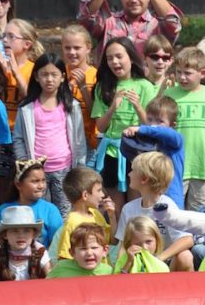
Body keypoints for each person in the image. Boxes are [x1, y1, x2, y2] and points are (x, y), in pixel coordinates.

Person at [13, 54, 86, 216]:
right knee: (39, 212)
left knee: (65, 213)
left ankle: (62, 241)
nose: (49, 79)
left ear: (62, 78)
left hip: (64, 169)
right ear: (36, 77)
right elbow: (18, 138)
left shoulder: (71, 106)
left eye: (54, 74)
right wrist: (27, 164)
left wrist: (79, 169)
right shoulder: (27, 107)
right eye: (44, 74)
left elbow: (79, 140)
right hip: (38, 172)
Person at [90, 37, 155, 207]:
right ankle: (116, 233)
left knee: (136, 204)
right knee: (115, 206)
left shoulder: (145, 86)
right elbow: (100, 127)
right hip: (111, 153)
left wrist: (137, 106)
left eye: (119, 56)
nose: (114, 62)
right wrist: (112, 107)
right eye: (110, 58)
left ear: (131, 58)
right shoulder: (103, 87)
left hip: (136, 153)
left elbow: (150, 126)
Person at [115, 152, 194, 271]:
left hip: (163, 262)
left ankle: (183, 288)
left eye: (133, 170)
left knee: (185, 256)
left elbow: (187, 239)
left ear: (144, 179)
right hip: (138, 261)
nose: (129, 174)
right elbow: (122, 247)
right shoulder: (128, 209)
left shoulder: (167, 207)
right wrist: (120, 269)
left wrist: (159, 259)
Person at [169, 46, 205, 209]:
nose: (182, 77)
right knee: (174, 213)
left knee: (199, 216)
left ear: (202, 72)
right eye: (179, 72)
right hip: (175, 168)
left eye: (188, 73)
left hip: (203, 169)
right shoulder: (169, 94)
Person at [120, 93, 185, 208]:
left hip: (171, 197)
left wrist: (142, 128)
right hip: (150, 198)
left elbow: (165, 133)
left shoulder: (175, 139)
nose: (153, 124)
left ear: (172, 125)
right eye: (149, 119)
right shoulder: (147, 142)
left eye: (160, 121)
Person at [0, 157, 63, 250]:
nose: (41, 186)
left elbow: (57, 244)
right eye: (35, 181)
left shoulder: (50, 210)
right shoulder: (3, 211)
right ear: (18, 185)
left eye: (43, 180)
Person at [51, 166, 117, 263]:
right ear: (85, 195)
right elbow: (64, 258)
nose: (103, 195)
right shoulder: (72, 223)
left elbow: (113, 241)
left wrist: (112, 217)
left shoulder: (95, 213)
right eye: (99, 190)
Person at [60, 22, 99, 160]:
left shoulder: (96, 76)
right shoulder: (58, 73)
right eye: (67, 48)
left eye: (77, 48)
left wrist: (83, 88)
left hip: (87, 141)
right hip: (61, 140)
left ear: (88, 48)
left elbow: (96, 114)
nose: (72, 52)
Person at [0, 206, 49, 281]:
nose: (21, 235)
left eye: (26, 231)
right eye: (15, 231)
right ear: (5, 235)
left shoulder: (41, 254)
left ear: (33, 234)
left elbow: (52, 280)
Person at [48, 223, 113, 278]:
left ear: (105, 250)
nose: (89, 253)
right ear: (72, 253)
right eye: (83, 249)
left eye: (94, 248)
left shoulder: (108, 272)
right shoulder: (61, 268)